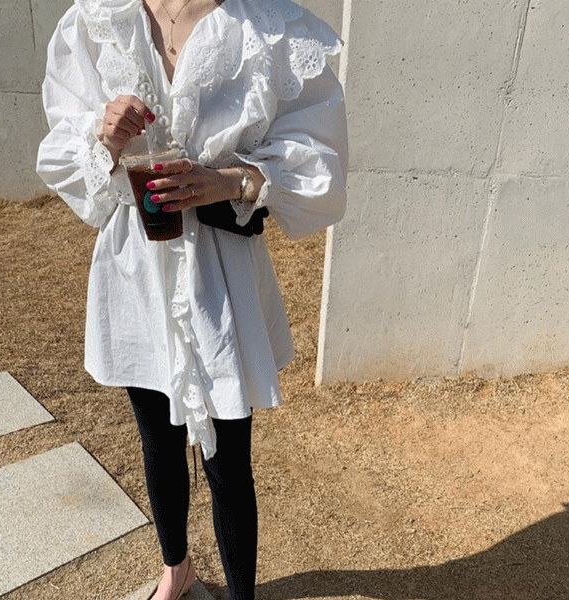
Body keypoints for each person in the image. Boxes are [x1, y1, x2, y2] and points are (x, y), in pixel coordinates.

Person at [36, 0, 348, 599]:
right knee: (156, 435)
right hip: (136, 267)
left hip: (220, 271)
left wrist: (228, 181)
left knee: (228, 456)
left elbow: (321, 162)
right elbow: (63, 147)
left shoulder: (272, 27)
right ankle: (175, 570)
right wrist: (104, 136)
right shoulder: (99, 19)